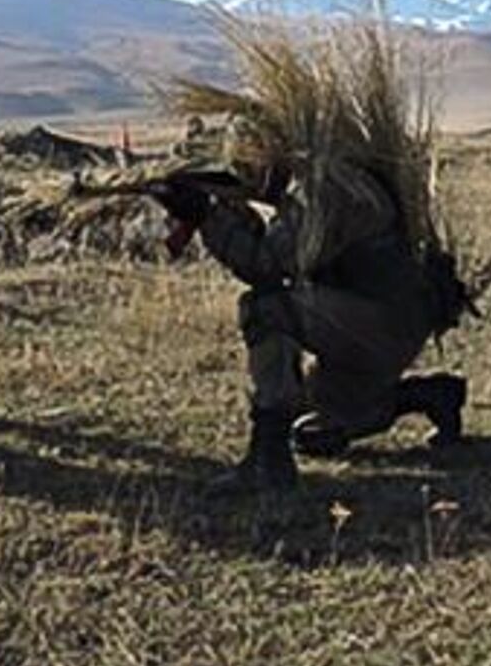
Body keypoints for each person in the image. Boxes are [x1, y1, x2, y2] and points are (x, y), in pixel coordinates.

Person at [156, 154, 468, 493]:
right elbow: (280, 247)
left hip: (377, 326)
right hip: (385, 325)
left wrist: (206, 217)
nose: (246, 175)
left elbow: (266, 266)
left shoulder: (325, 188)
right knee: (314, 432)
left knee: (266, 309)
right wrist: (226, 213)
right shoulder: (337, 175)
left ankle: (267, 463)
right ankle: (429, 395)